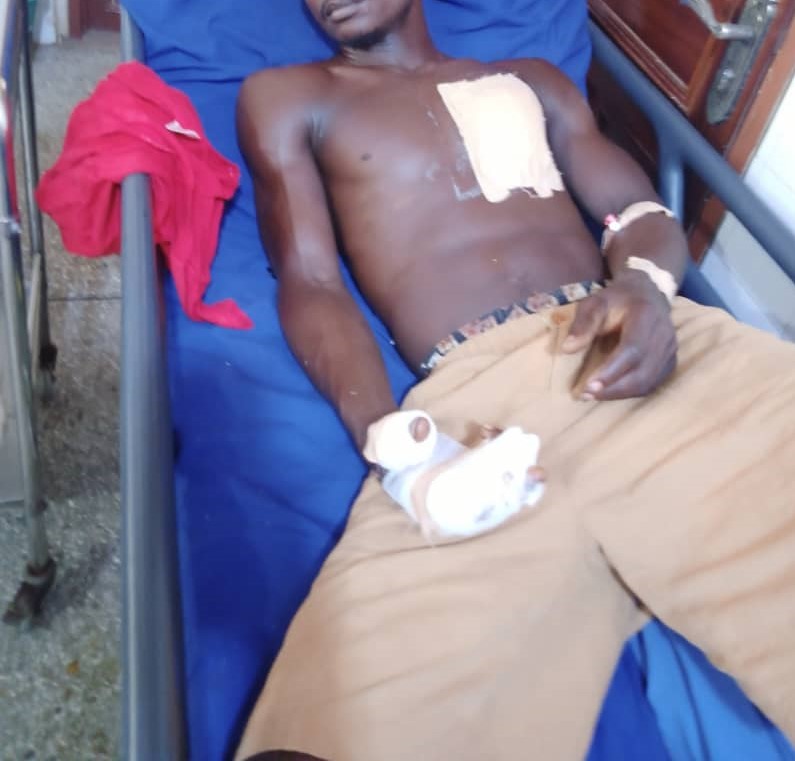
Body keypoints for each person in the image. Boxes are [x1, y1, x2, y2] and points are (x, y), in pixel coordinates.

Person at [233, 0, 795, 758]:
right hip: (474, 403)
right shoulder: (290, 97)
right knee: (346, 713)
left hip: (633, 333)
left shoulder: (530, 81)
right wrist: (391, 444)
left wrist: (647, 286)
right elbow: (310, 282)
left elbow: (633, 209)